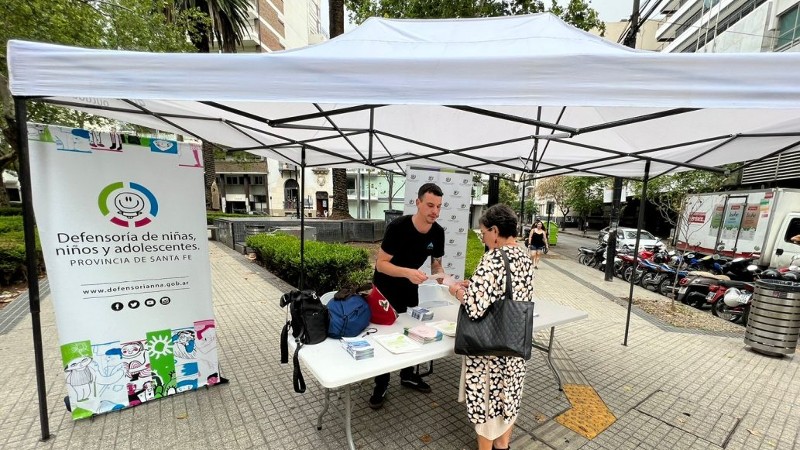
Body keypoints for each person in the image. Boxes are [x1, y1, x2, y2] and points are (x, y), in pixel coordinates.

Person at [448, 204, 535, 450]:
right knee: (508, 404)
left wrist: (457, 290)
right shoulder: (524, 256)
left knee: (487, 408)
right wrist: (474, 284)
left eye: (483, 232)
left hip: (490, 352)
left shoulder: (494, 257)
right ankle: (503, 446)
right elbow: (508, 292)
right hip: (514, 342)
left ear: (495, 231)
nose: (483, 237)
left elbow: (475, 306)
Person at [369, 182, 446, 410]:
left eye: (439, 207)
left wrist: (441, 276)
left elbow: (437, 264)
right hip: (385, 289)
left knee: (412, 333)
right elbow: (381, 264)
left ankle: (408, 375)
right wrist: (408, 273)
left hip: (410, 290)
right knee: (385, 337)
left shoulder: (438, 232)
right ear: (418, 203)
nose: (435, 211)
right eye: (430, 205)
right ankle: (381, 383)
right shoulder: (398, 227)